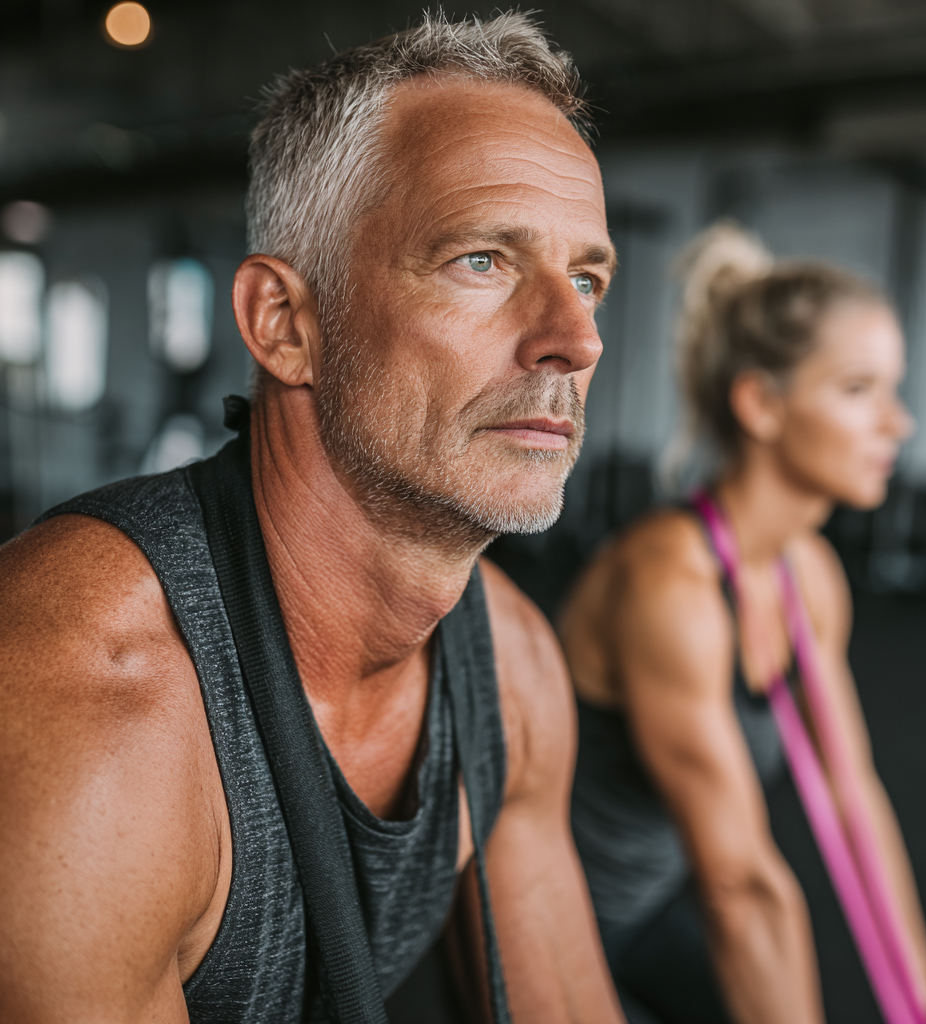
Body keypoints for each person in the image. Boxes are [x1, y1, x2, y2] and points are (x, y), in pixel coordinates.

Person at [0, 14, 626, 1024]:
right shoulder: (88, 707)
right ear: (286, 325)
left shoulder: (511, 664)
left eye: (587, 278)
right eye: (482, 260)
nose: (577, 337)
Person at [560, 223, 926, 1024]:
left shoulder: (807, 574)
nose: (898, 424)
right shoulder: (670, 587)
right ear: (760, 404)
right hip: (545, 926)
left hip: (648, 909)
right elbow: (741, 885)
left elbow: (852, 793)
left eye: (891, 390)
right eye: (858, 390)